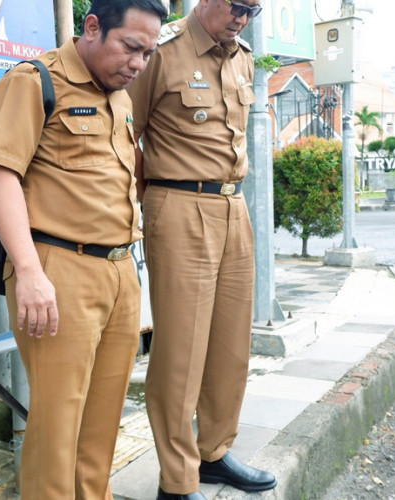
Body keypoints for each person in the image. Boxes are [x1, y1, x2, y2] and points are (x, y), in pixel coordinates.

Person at [0, 1, 166, 498]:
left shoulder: (121, 97)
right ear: (92, 27)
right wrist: (27, 270)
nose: (138, 63)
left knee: (102, 420)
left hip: (118, 272)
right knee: (57, 425)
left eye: (148, 54)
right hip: (56, 270)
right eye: (130, 47)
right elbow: (1, 172)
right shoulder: (35, 81)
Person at [126, 1, 276, 498]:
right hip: (180, 204)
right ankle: (177, 478)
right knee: (181, 352)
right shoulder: (163, 52)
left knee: (231, 344)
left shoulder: (242, 56)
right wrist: (151, 202)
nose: (242, 17)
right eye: (236, 6)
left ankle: (213, 452)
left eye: (252, 10)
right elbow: (125, 137)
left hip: (234, 207)